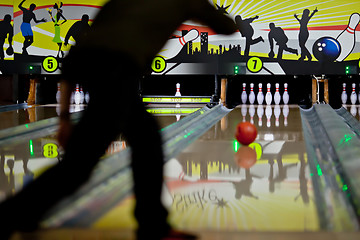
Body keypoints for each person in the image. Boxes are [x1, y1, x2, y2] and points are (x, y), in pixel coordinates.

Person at [0, 0, 237, 239]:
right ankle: (153, 228)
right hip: (118, 69)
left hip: (92, 66)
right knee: (114, 152)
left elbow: (78, 56)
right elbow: (227, 27)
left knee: (111, 152)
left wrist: (63, 119)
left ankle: (20, 212)